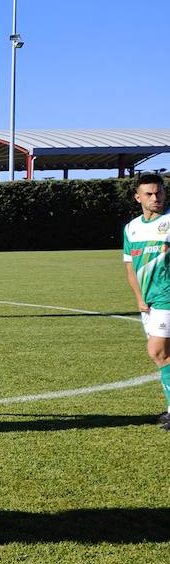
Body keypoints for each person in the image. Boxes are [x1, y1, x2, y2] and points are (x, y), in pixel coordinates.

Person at [122, 173, 170, 430]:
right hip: (148, 302)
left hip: (167, 296)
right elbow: (130, 268)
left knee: (157, 351)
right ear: (137, 197)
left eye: (159, 192)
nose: (156, 198)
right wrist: (139, 299)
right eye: (149, 194)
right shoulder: (131, 228)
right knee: (164, 356)